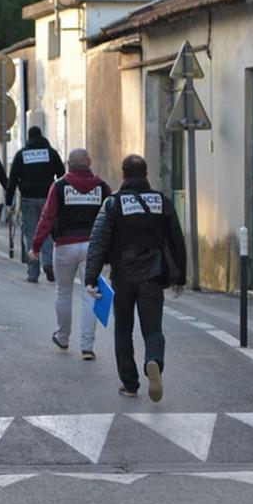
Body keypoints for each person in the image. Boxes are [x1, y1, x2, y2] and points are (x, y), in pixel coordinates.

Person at [84, 154, 187, 402]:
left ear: (122, 175)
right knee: (153, 328)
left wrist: (91, 277)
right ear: (146, 175)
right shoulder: (162, 202)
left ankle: (129, 383)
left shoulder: (113, 204)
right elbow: (177, 240)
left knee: (124, 329)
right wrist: (180, 277)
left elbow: (98, 241)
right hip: (153, 276)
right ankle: (153, 361)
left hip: (123, 275)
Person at [29, 148, 111, 360]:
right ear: (89, 162)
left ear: (68, 164)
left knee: (64, 292)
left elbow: (47, 217)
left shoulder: (59, 186)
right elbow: (111, 220)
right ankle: (87, 346)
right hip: (93, 247)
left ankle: (63, 337)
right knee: (89, 294)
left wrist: (36, 246)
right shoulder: (102, 188)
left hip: (64, 245)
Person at [7, 126, 66, 283]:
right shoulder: (51, 153)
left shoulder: (21, 154)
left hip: (28, 198)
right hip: (48, 198)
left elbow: (12, 179)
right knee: (46, 231)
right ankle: (48, 263)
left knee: (31, 233)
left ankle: (33, 273)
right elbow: (62, 174)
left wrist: (8, 202)